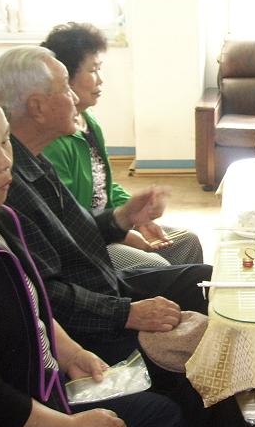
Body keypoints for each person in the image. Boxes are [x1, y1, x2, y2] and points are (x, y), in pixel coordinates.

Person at [0, 46, 255, 427]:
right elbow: (46, 296)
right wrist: (126, 312)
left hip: (104, 286)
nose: (74, 97)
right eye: (65, 89)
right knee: (178, 355)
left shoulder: (34, 162)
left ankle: (224, 426)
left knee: (201, 278)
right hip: (87, 319)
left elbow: (75, 236)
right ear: (36, 106)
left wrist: (121, 218)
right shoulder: (10, 187)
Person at [0, 70, 188, 427]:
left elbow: (28, 300)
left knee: (162, 417)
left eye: (5, 141)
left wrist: (69, 353)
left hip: (42, 388)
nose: (6, 162)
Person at [40, 22, 203, 270]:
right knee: (155, 266)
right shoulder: (53, 140)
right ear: (65, 78)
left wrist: (139, 212)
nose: (100, 80)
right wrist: (123, 232)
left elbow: (103, 187)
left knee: (188, 242)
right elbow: (67, 220)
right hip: (87, 242)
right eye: (93, 70)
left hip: (111, 224)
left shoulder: (89, 122)